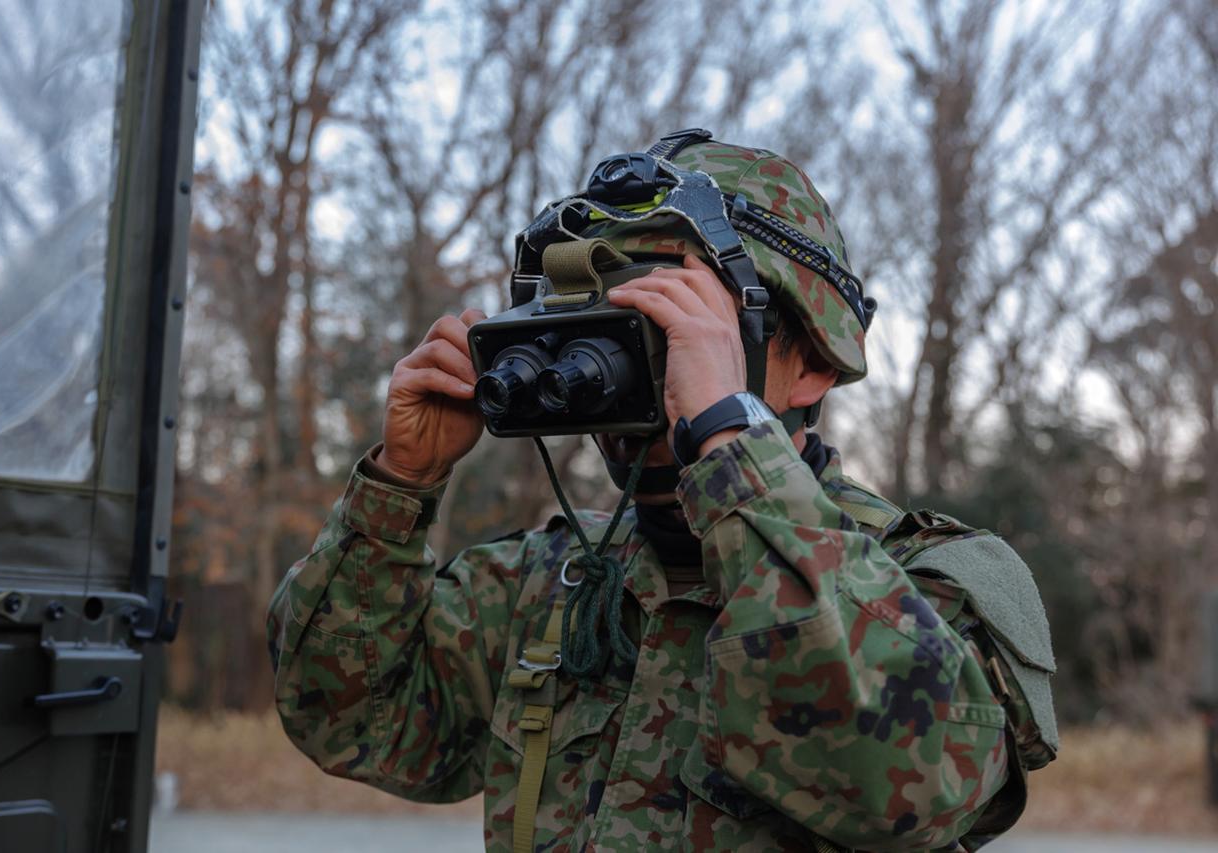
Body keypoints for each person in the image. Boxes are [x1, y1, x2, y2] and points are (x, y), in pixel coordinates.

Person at [266, 137, 1058, 852]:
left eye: (675, 322)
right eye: (606, 326)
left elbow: (904, 788)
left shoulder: (933, 581)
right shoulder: (555, 584)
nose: (641, 364)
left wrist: (724, 433)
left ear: (812, 360)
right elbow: (348, 716)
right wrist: (401, 484)